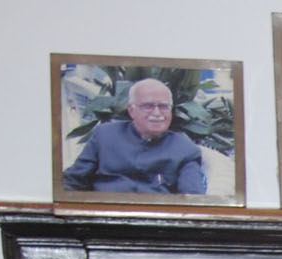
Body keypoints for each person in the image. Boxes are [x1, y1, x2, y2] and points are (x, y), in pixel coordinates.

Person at [62, 78, 206, 194]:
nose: (157, 113)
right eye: (148, 106)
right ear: (131, 111)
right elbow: (73, 181)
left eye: (163, 106)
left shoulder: (185, 149)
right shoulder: (105, 136)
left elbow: (192, 199)